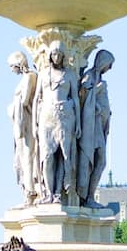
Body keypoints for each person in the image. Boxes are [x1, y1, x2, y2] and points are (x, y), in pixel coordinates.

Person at [34, 41, 80, 204]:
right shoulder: (43, 74)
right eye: (54, 54)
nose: (57, 57)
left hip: (65, 117)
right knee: (47, 157)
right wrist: (34, 123)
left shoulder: (70, 75)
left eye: (60, 54)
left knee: (63, 156)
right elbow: (36, 99)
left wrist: (79, 124)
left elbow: (75, 98)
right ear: (50, 56)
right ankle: (48, 192)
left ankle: (59, 193)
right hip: (46, 117)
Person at [76, 49, 113, 207]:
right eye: (109, 64)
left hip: (100, 126)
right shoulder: (90, 76)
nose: (109, 69)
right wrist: (98, 91)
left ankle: (89, 196)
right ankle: (86, 196)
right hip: (91, 127)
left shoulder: (97, 77)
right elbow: (83, 95)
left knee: (101, 161)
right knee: (96, 159)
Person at [8, 51, 39, 205]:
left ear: (18, 63)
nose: (11, 69)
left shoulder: (30, 77)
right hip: (21, 121)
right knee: (22, 156)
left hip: (27, 120)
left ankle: (31, 192)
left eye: (12, 65)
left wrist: (13, 106)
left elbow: (26, 99)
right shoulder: (28, 77)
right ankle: (28, 190)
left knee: (27, 156)